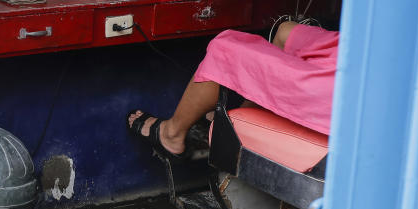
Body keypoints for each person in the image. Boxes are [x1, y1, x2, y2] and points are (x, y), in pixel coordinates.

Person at [127, 21, 340, 158]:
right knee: (285, 31)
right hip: (351, 57)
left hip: (341, 90)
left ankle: (172, 134)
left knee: (224, 48)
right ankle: (245, 116)